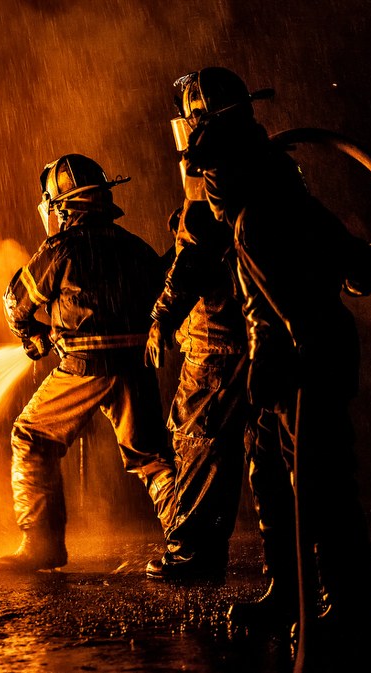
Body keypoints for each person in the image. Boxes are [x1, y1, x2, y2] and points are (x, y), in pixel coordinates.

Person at [172, 67, 371, 669]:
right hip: (297, 361)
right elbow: (362, 273)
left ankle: (348, 607)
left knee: (321, 487)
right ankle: (288, 593)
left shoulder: (259, 210)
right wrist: (345, 262)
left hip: (304, 364)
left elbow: (279, 313)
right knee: (271, 476)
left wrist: (270, 365)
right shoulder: (268, 192)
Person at [0, 153, 177, 573]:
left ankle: (41, 544)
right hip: (136, 365)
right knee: (150, 457)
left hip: (84, 366)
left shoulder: (61, 248)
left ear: (60, 206)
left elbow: (16, 303)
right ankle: (187, 541)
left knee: (31, 437)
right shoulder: (136, 247)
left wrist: (31, 335)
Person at [142, 186, 251, 581]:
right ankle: (293, 566)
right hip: (261, 345)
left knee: (197, 442)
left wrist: (162, 317)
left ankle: (191, 556)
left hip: (215, 348)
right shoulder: (270, 191)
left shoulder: (208, 197)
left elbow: (190, 257)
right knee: (264, 456)